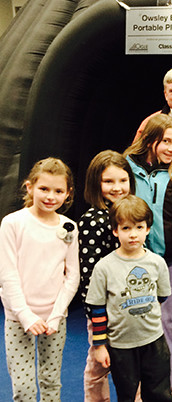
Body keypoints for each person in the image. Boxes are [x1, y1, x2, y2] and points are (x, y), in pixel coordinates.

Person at [125, 113, 172, 401]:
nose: (171, 148)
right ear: (150, 141)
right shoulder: (126, 168)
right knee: (137, 321)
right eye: (165, 141)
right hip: (135, 260)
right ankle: (141, 384)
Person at [0, 157, 79, 401]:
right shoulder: (13, 223)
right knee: (23, 388)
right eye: (44, 188)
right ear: (29, 187)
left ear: (67, 194)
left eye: (58, 191)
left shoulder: (69, 227)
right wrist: (25, 315)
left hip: (54, 319)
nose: (50, 196)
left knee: (50, 381)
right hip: (18, 317)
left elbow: (72, 275)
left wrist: (55, 315)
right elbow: (8, 274)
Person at [86, 195, 172, 402]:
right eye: (126, 228)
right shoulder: (104, 267)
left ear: (148, 229)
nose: (133, 235)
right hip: (120, 346)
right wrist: (99, 345)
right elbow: (96, 308)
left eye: (139, 227)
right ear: (115, 231)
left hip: (154, 341)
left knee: (159, 392)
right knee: (126, 394)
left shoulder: (157, 263)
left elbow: (161, 295)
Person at [78, 150, 136, 401]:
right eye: (109, 181)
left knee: (135, 365)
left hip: (133, 307)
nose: (117, 187)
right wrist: (98, 314)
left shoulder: (132, 214)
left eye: (123, 181)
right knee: (100, 365)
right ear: (96, 184)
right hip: (106, 310)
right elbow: (89, 276)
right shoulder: (93, 220)